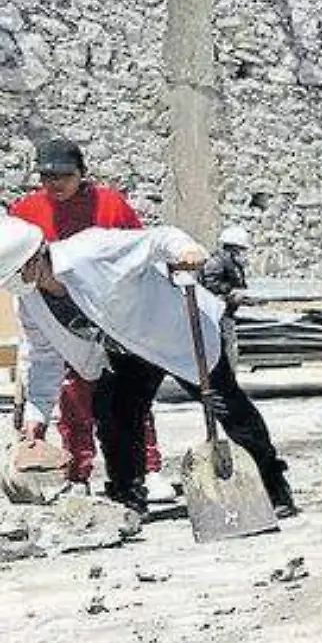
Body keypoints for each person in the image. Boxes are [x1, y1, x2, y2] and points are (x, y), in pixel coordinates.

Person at [0, 216, 294, 517]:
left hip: (176, 332)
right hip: (126, 351)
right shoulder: (30, 303)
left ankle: (272, 484)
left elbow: (159, 238)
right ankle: (128, 495)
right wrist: (36, 418)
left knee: (227, 406)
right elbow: (43, 359)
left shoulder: (92, 250)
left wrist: (185, 250)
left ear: (33, 260)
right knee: (114, 414)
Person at [8, 137, 164, 494]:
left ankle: (147, 468)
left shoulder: (109, 205)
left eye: (64, 175)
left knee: (127, 399)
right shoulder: (26, 212)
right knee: (74, 396)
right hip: (54, 310)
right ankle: (77, 471)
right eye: (47, 176)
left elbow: (138, 253)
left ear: (82, 174)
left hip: (111, 313)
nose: (55, 184)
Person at [200, 226, 252, 371]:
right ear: (233, 247)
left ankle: (228, 376)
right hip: (218, 314)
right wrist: (230, 293)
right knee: (222, 348)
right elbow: (210, 286)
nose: (243, 252)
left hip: (227, 313)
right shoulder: (216, 262)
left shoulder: (232, 263)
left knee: (230, 347)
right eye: (241, 249)